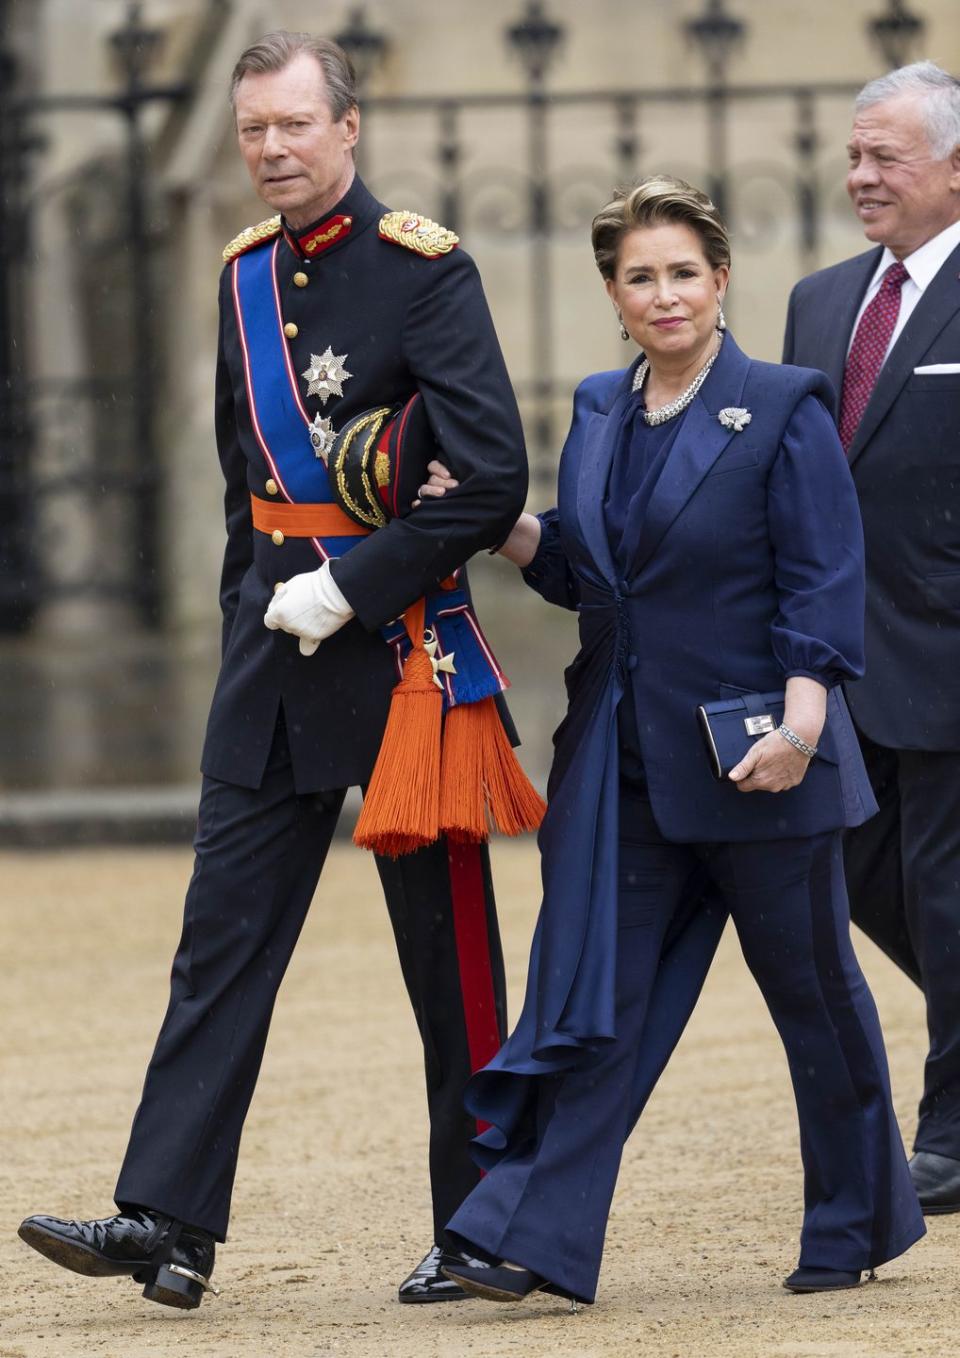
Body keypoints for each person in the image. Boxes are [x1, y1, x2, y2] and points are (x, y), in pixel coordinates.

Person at [17, 31, 529, 1308]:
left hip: (402, 652)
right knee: (221, 940)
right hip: (271, 655)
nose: (272, 151)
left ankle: (487, 1227)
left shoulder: (428, 271)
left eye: (294, 125)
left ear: (348, 128)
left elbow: (496, 475)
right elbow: (238, 483)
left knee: (449, 963)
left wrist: (354, 581)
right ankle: (168, 1220)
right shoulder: (244, 273)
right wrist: (255, 613)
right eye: (253, 129)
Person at [421, 175, 925, 1308]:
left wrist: (803, 723)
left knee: (818, 1001)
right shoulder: (600, 408)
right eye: (640, 276)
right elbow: (590, 573)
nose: (665, 295)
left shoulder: (784, 404)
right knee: (610, 1002)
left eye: (683, 272)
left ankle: (855, 1221)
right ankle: (530, 1234)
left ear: (720, 279)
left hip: (762, 763)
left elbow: (822, 577)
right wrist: (494, 521)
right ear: (613, 291)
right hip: (627, 768)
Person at [782, 61, 960, 1215]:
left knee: (946, 889)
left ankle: (951, 1127)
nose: (860, 177)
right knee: (853, 871)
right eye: (853, 156)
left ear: (954, 167)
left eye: (884, 157)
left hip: (951, 652)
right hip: (837, 664)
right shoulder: (817, 299)